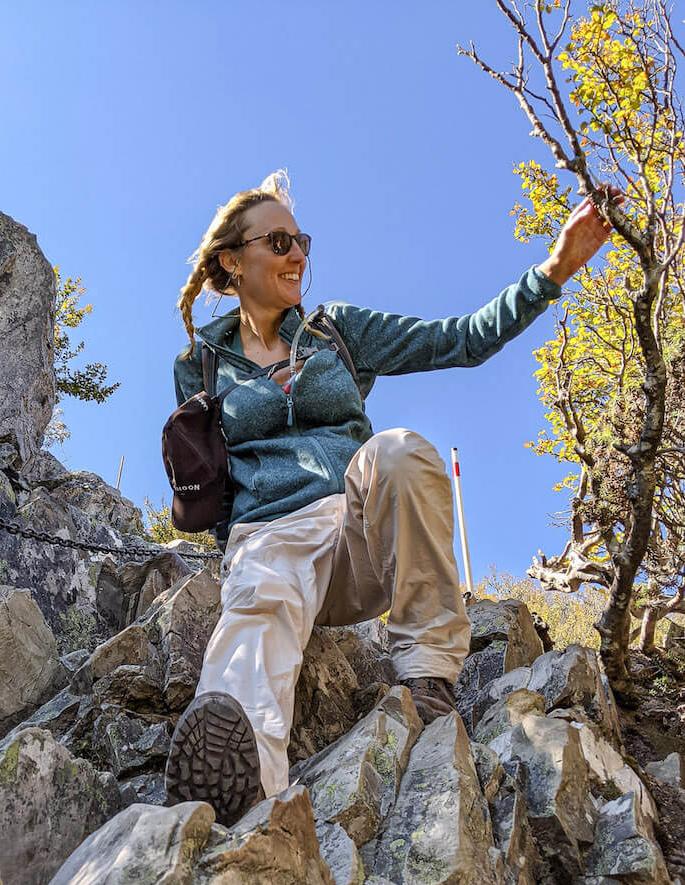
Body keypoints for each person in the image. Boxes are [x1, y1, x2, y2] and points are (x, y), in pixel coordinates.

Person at [164, 170, 616, 825]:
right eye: (281, 241)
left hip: (356, 536)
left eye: (302, 243)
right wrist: (230, 543)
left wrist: (555, 268)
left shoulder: (336, 331)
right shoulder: (198, 366)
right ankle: (235, 779)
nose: (299, 256)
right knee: (262, 589)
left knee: (400, 450)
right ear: (232, 261)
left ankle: (428, 679)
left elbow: (460, 339)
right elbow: (208, 474)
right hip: (269, 538)